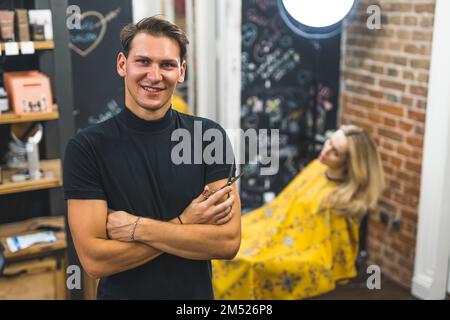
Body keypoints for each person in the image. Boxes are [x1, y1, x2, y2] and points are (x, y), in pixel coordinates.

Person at [63, 16, 241, 300]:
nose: (155, 76)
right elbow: (95, 261)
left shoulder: (209, 136)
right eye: (143, 62)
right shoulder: (87, 148)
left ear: (181, 71)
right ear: (123, 64)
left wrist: (137, 228)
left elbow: (227, 242)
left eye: (167, 65)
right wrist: (184, 223)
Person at [212, 125, 385, 299]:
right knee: (224, 241)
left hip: (303, 252)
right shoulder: (318, 167)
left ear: (350, 164)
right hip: (272, 228)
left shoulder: (340, 201)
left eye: (335, 152)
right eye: (329, 142)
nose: (325, 150)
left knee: (247, 262)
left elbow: (327, 252)